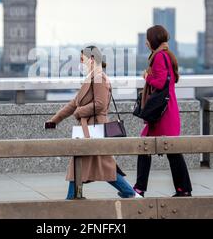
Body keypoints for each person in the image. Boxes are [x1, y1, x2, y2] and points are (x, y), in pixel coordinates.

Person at [46, 46, 141, 200]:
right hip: (89, 128)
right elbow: (74, 103)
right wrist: (54, 120)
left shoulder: (99, 78)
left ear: (91, 59)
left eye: (82, 59)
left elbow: (100, 104)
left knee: (95, 164)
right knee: (92, 164)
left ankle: (72, 200)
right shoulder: (92, 77)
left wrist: (79, 112)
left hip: (95, 127)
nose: (80, 63)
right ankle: (74, 198)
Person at [133, 25, 192, 197]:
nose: (145, 42)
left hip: (162, 113)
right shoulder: (166, 54)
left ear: (153, 40)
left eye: (147, 39)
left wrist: (146, 76)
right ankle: (183, 189)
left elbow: (160, 83)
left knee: (149, 147)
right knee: (169, 150)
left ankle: (140, 188)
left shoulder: (159, 56)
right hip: (168, 108)